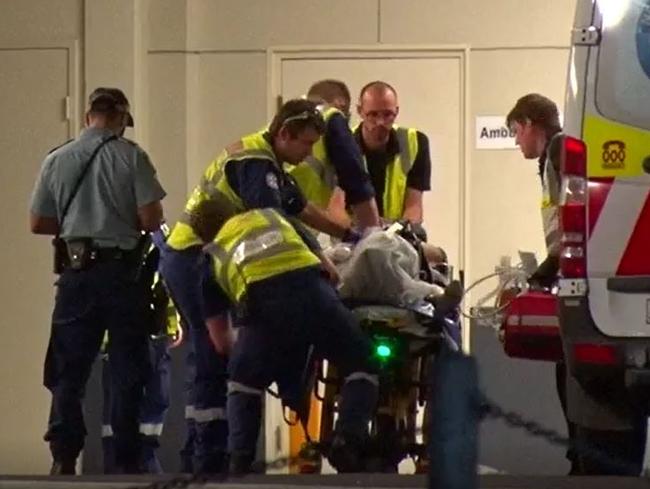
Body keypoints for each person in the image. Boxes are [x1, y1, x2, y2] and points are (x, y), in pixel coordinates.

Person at [158, 98, 357, 473]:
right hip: (194, 258)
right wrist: (319, 256)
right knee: (213, 354)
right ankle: (207, 457)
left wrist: (350, 232)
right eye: (305, 144)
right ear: (284, 134)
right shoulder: (255, 163)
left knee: (226, 352)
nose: (309, 153)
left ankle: (212, 454)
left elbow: (300, 208)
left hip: (211, 258)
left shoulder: (273, 165)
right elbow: (273, 219)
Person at [188, 197, 379, 475]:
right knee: (362, 362)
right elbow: (331, 272)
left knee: (243, 382)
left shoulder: (211, 255)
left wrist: (252, 359)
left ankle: (240, 459)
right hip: (314, 296)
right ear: (235, 210)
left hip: (262, 313)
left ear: (202, 236)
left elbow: (221, 342)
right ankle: (348, 440)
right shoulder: (271, 216)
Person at [30, 87, 166, 474]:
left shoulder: (56, 159)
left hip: (76, 275)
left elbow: (38, 222)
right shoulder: (132, 156)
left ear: (88, 116)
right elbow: (151, 219)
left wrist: (79, 225)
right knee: (126, 367)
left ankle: (63, 454)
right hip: (124, 276)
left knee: (67, 368)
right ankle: (124, 459)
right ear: (122, 119)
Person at [506, 93, 578, 474]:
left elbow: (573, 214)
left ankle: (579, 456)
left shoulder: (558, 150)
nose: (517, 142)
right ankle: (577, 452)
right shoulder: (553, 155)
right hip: (566, 270)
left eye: (517, 132)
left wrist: (549, 267)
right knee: (565, 365)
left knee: (569, 367)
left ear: (531, 123)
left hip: (573, 273)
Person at [101, 266, 183, 474]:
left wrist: (174, 323)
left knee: (157, 399)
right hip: (124, 338)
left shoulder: (157, 242)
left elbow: (165, 288)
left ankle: (144, 458)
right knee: (123, 399)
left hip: (156, 334)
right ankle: (121, 463)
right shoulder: (121, 245)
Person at [328, 80, 431, 239]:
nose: (380, 122)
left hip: (396, 236)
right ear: (360, 111)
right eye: (373, 114)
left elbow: (414, 207)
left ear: (396, 112)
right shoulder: (344, 144)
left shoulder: (415, 142)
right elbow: (336, 208)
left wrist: (395, 233)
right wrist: (361, 235)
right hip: (352, 236)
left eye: (387, 114)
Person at [287, 79, 381, 229]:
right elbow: (357, 183)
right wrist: (375, 234)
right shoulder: (331, 117)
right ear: (340, 103)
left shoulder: (285, 120)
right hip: (299, 229)